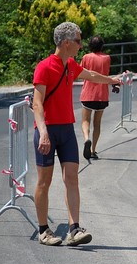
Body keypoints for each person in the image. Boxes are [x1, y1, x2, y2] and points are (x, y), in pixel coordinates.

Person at [32, 22, 122, 246]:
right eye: (79, 41)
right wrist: (43, 132)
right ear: (66, 42)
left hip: (66, 130)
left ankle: (74, 229)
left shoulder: (70, 64)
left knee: (72, 178)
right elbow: (37, 104)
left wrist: (112, 80)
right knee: (44, 181)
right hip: (48, 131)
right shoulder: (44, 67)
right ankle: (44, 230)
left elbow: (91, 74)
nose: (81, 45)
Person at [80, 35, 112, 161]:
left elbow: (81, 73)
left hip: (88, 94)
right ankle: (93, 150)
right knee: (97, 124)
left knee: (85, 121)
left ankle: (86, 138)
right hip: (102, 95)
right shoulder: (107, 58)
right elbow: (106, 74)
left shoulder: (86, 57)